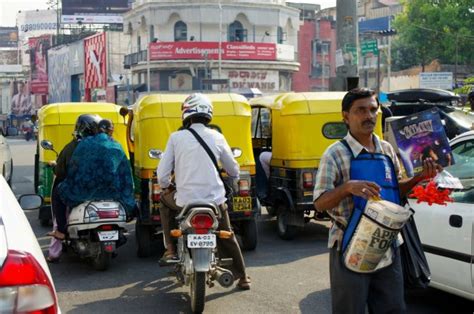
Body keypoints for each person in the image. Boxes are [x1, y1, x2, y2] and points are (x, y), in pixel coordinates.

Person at [313, 88, 441, 314]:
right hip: (349, 245)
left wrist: (420, 176)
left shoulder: (387, 149)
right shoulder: (334, 153)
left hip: (388, 245)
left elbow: (396, 191)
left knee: (393, 308)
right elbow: (320, 203)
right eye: (360, 110)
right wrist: (347, 188)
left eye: (373, 109)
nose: (369, 116)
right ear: (345, 116)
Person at [157, 93, 251, 290]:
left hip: (184, 201)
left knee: (164, 202)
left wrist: (166, 185)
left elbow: (163, 174)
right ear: (208, 113)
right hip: (214, 201)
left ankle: (170, 249)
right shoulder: (217, 136)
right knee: (227, 233)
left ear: (186, 114)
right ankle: (243, 277)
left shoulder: (176, 138)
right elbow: (233, 170)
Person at [46, 115, 89, 261]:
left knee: (58, 197)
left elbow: (60, 171)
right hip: (98, 189)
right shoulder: (106, 146)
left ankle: (56, 245)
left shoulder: (72, 147)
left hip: (75, 189)